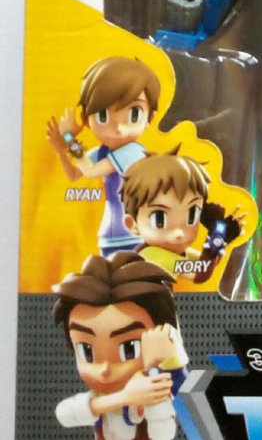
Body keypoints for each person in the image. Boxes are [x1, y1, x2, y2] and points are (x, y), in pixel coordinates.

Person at [53, 251, 188, 440]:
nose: (105, 369)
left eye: (129, 349)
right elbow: (64, 414)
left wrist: (152, 368)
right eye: (86, 351)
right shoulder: (99, 399)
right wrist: (126, 397)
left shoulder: (151, 392)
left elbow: (163, 434)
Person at [47, 57, 161, 255]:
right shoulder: (103, 152)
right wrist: (60, 150)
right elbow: (74, 174)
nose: (118, 128)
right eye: (103, 115)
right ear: (87, 119)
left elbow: (91, 171)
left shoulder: (133, 152)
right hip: (111, 235)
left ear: (149, 117)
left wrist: (69, 138)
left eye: (134, 113)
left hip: (134, 234)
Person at [121, 151, 245, 282]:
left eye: (192, 215)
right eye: (159, 219)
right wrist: (217, 233)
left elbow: (207, 263)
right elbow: (200, 272)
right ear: (133, 224)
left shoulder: (166, 251)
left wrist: (222, 237)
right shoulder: (154, 255)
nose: (179, 233)